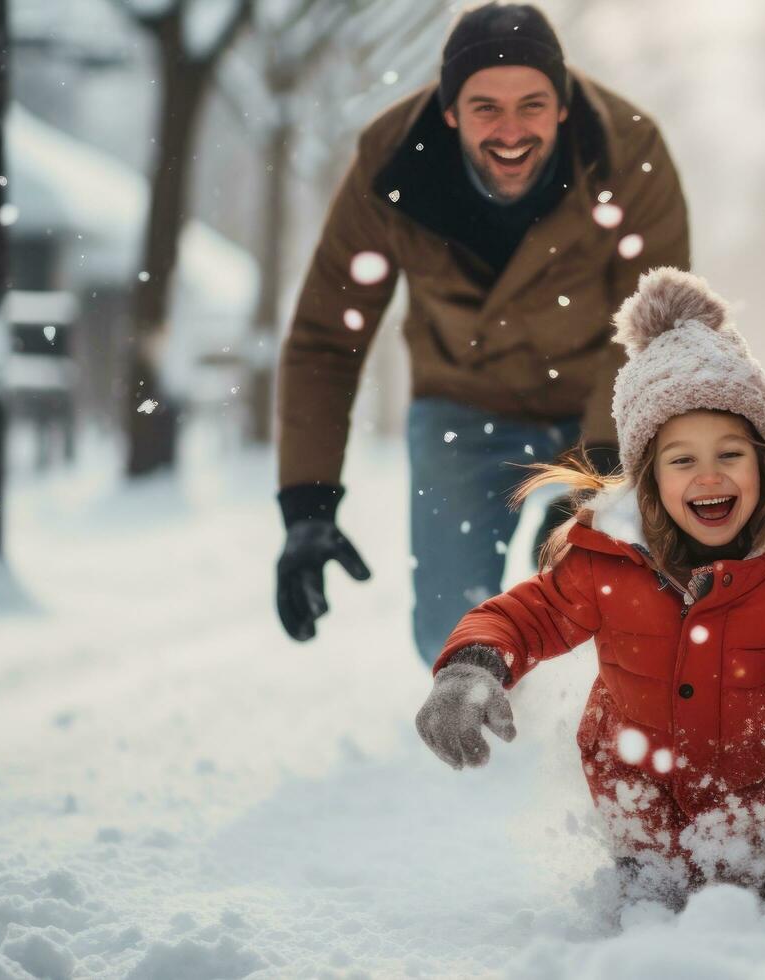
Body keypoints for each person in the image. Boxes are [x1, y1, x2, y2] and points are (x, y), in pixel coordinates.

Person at [415, 269, 765, 906]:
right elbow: (525, 617)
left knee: (742, 915)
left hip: (757, 802)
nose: (709, 475)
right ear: (649, 477)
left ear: (763, 462)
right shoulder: (607, 561)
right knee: (649, 913)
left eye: (730, 453)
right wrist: (470, 669)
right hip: (635, 794)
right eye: (682, 460)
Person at [273, 3, 689, 668]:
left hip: (598, 405)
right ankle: (489, 743)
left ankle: (601, 729)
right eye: (484, 108)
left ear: (561, 106)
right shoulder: (390, 172)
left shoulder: (626, 153)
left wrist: (600, 478)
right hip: (464, 405)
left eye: (532, 104)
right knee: (448, 637)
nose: (511, 131)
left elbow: (653, 320)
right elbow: (328, 336)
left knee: (617, 601)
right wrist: (306, 504)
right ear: (448, 111)